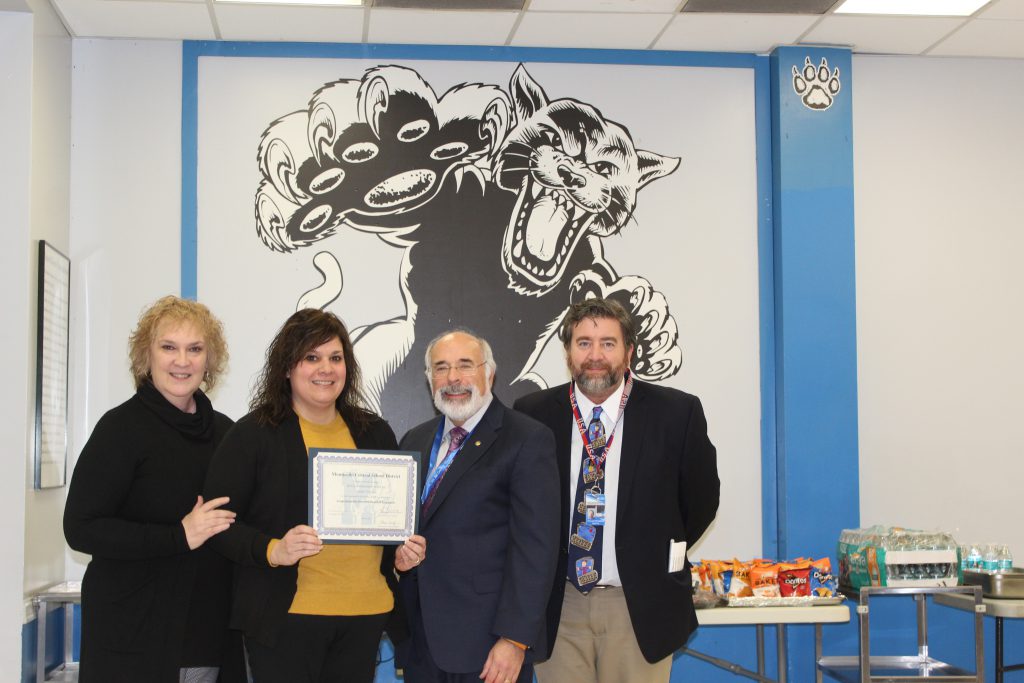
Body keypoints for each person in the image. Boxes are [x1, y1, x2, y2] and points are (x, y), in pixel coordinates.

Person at [513, 298, 720, 683]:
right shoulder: (531, 413)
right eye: (583, 343)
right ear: (567, 352)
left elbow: (701, 500)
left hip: (638, 604)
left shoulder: (676, 413)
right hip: (560, 606)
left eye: (608, 343)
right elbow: (520, 507)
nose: (595, 355)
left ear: (629, 352)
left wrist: (650, 548)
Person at [203, 308, 403, 683]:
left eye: (335, 357)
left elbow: (391, 521)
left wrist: (403, 549)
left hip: (366, 614)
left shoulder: (375, 433)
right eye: (311, 357)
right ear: (286, 368)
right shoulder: (253, 435)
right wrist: (272, 549)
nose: (325, 369)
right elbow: (218, 526)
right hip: (286, 619)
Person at [64, 295, 238, 683]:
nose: (182, 361)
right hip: (132, 639)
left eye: (195, 349)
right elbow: (80, 527)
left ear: (210, 360)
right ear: (147, 355)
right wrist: (178, 536)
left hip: (205, 638)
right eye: (169, 347)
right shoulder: (120, 430)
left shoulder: (228, 434)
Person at [393, 330, 559, 683]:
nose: (453, 378)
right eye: (441, 368)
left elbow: (537, 549)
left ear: (489, 373)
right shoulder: (415, 440)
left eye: (465, 365)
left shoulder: (527, 439)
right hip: (422, 644)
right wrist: (399, 558)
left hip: (488, 647)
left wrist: (515, 639)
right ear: (429, 379)